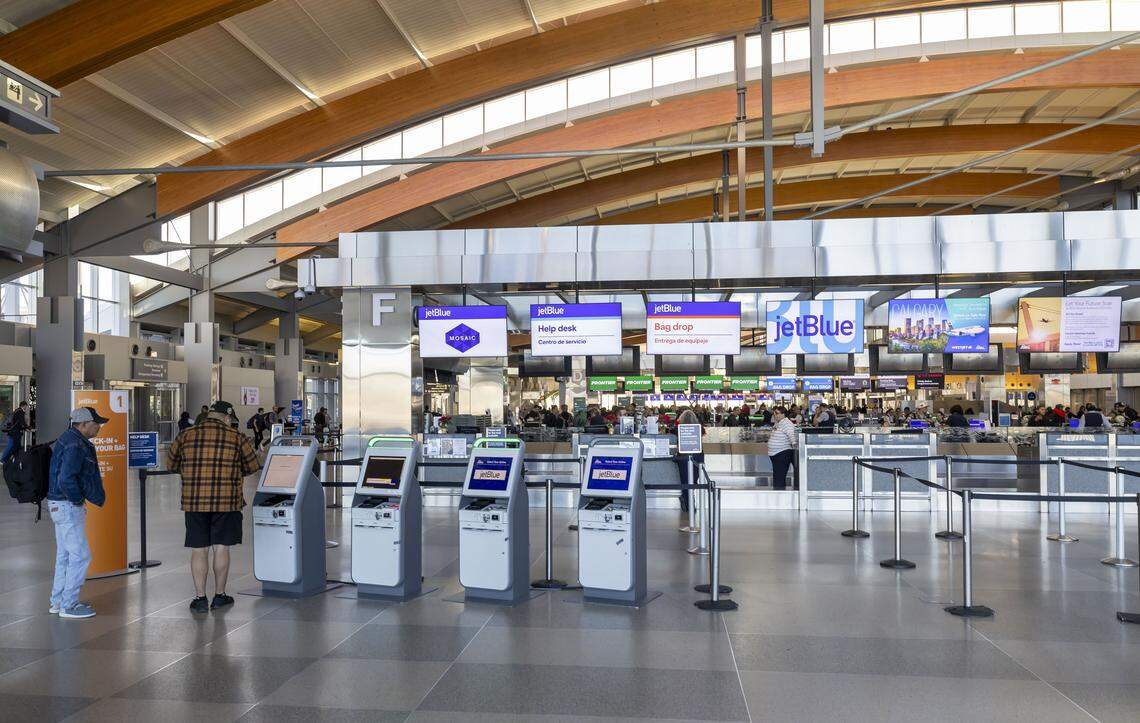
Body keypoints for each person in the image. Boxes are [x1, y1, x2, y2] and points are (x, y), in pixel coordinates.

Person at [168, 400, 261, 614]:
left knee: (198, 549)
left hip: (194, 501)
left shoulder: (185, 435)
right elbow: (253, 466)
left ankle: (200, 598)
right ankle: (219, 596)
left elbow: (171, 464)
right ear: (227, 418)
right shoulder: (237, 437)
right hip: (226, 501)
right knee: (221, 547)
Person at [47, 407, 108, 619]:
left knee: (64, 556)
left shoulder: (69, 439)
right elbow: (66, 478)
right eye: (95, 423)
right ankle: (69, 605)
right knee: (81, 555)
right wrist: (76, 500)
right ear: (82, 424)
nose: (99, 426)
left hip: (58, 504)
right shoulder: (75, 444)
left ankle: (57, 602)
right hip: (66, 505)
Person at [768, 405, 798, 490]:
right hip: (777, 454)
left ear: (783, 414)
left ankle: (780, 495)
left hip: (782, 454)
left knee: (779, 477)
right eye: (774, 413)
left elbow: (791, 435)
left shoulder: (787, 423)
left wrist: (794, 444)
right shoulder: (779, 423)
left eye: (777, 413)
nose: (775, 415)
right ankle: (778, 494)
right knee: (777, 476)